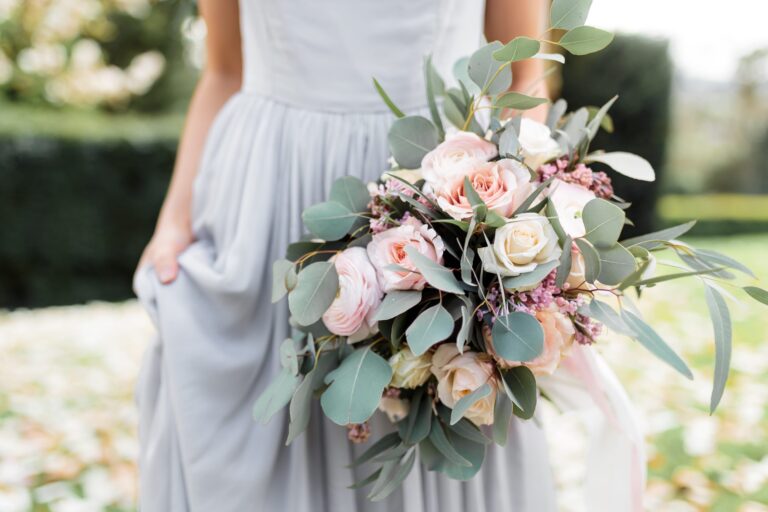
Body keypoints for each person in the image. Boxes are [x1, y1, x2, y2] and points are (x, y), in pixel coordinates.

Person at [134, 1, 559, 510]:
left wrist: (520, 211)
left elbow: (523, 73)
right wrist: (173, 220)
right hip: (267, 200)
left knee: (433, 408)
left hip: (438, 187)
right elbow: (225, 68)